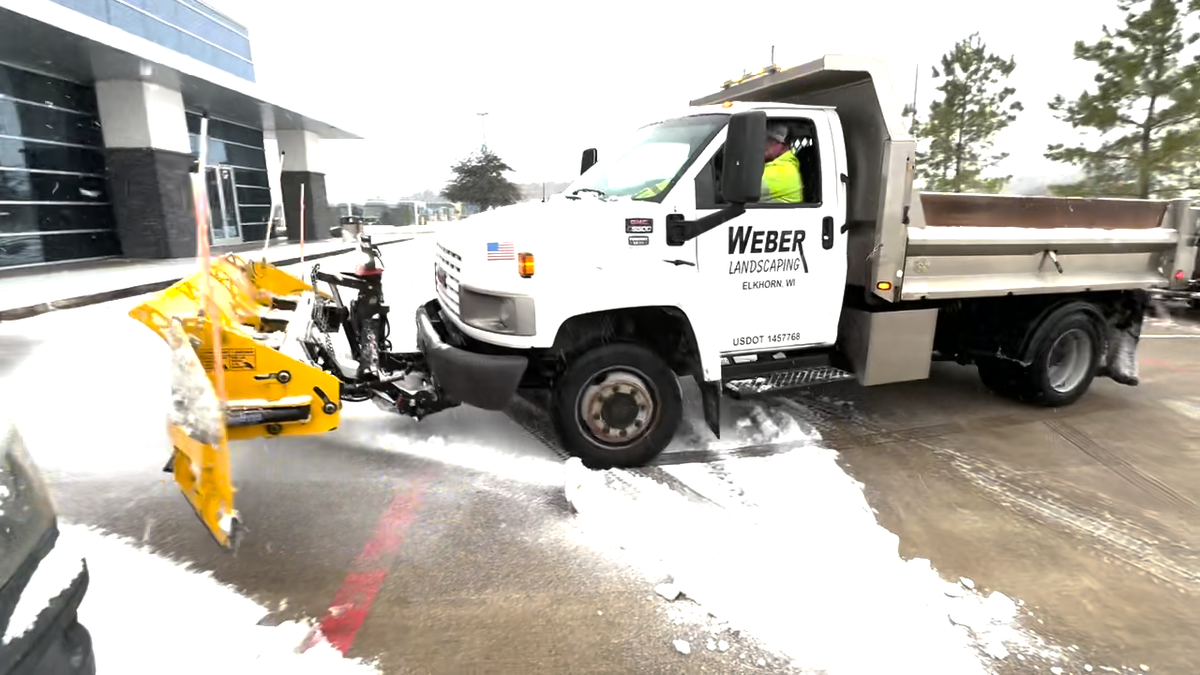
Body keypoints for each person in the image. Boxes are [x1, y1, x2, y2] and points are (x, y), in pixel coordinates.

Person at [761, 122, 803, 203]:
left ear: (782, 144)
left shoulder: (782, 172)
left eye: (768, 139)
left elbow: (737, 189)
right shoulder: (783, 165)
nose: (762, 143)